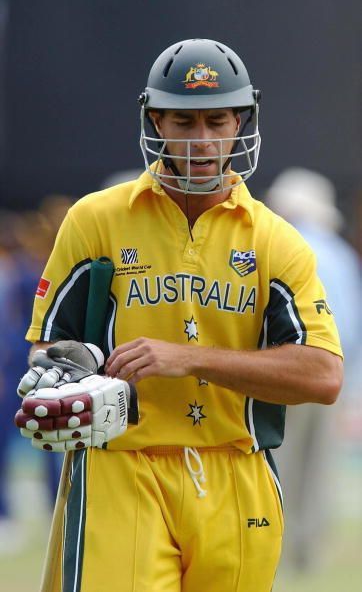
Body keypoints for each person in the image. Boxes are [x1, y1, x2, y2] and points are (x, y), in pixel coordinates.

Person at [16, 39, 343, 592]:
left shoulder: (276, 241)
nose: (201, 141)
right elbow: (48, 347)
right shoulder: (95, 219)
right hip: (124, 465)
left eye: (217, 121)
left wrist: (186, 358)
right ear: (154, 121)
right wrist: (68, 375)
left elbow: (323, 375)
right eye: (183, 121)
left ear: (241, 122)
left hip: (237, 472)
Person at [265, 167, 361, 571]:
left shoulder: (283, 247)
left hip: (288, 372)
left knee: (278, 465)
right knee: (317, 471)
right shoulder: (339, 252)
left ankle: (277, 553)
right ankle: (308, 556)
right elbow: (352, 325)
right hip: (332, 377)